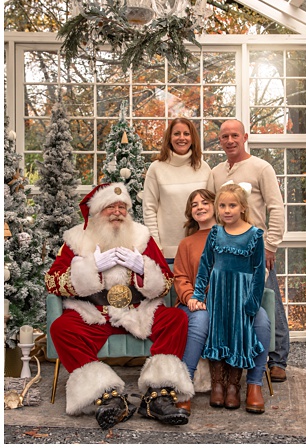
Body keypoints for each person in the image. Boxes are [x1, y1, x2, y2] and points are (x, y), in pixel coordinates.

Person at [45, 182, 193, 429]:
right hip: (94, 314)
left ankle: (159, 395)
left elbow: (166, 283)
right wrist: (91, 269)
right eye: (110, 207)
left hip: (137, 312)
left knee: (176, 319)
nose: (117, 212)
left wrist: (143, 269)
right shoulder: (75, 239)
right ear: (95, 212)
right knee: (61, 328)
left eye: (122, 206)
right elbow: (52, 282)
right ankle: (107, 397)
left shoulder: (142, 237)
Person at [172, 188, 271, 413]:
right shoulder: (187, 243)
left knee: (262, 321)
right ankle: (185, 385)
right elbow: (181, 277)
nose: (200, 207)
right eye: (194, 204)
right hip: (202, 303)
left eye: (204, 202)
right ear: (191, 211)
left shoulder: (245, 234)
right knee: (201, 320)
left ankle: (254, 384)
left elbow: (256, 271)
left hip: (239, 298)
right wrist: (192, 298)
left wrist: (251, 300)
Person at [206, 119, 289, 382]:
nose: (230, 141)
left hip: (255, 248)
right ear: (219, 140)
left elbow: (276, 207)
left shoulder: (261, 168)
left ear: (245, 137)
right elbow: (213, 210)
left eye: (234, 135)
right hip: (226, 250)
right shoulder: (216, 173)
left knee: (268, 299)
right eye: (224, 137)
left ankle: (278, 360)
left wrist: (270, 244)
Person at [142, 118, 211, 261]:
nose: (182, 138)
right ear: (169, 138)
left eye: (186, 134)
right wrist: (155, 244)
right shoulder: (156, 168)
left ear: (193, 138)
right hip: (166, 252)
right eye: (177, 134)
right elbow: (149, 209)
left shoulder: (203, 168)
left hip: (200, 250)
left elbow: (212, 210)